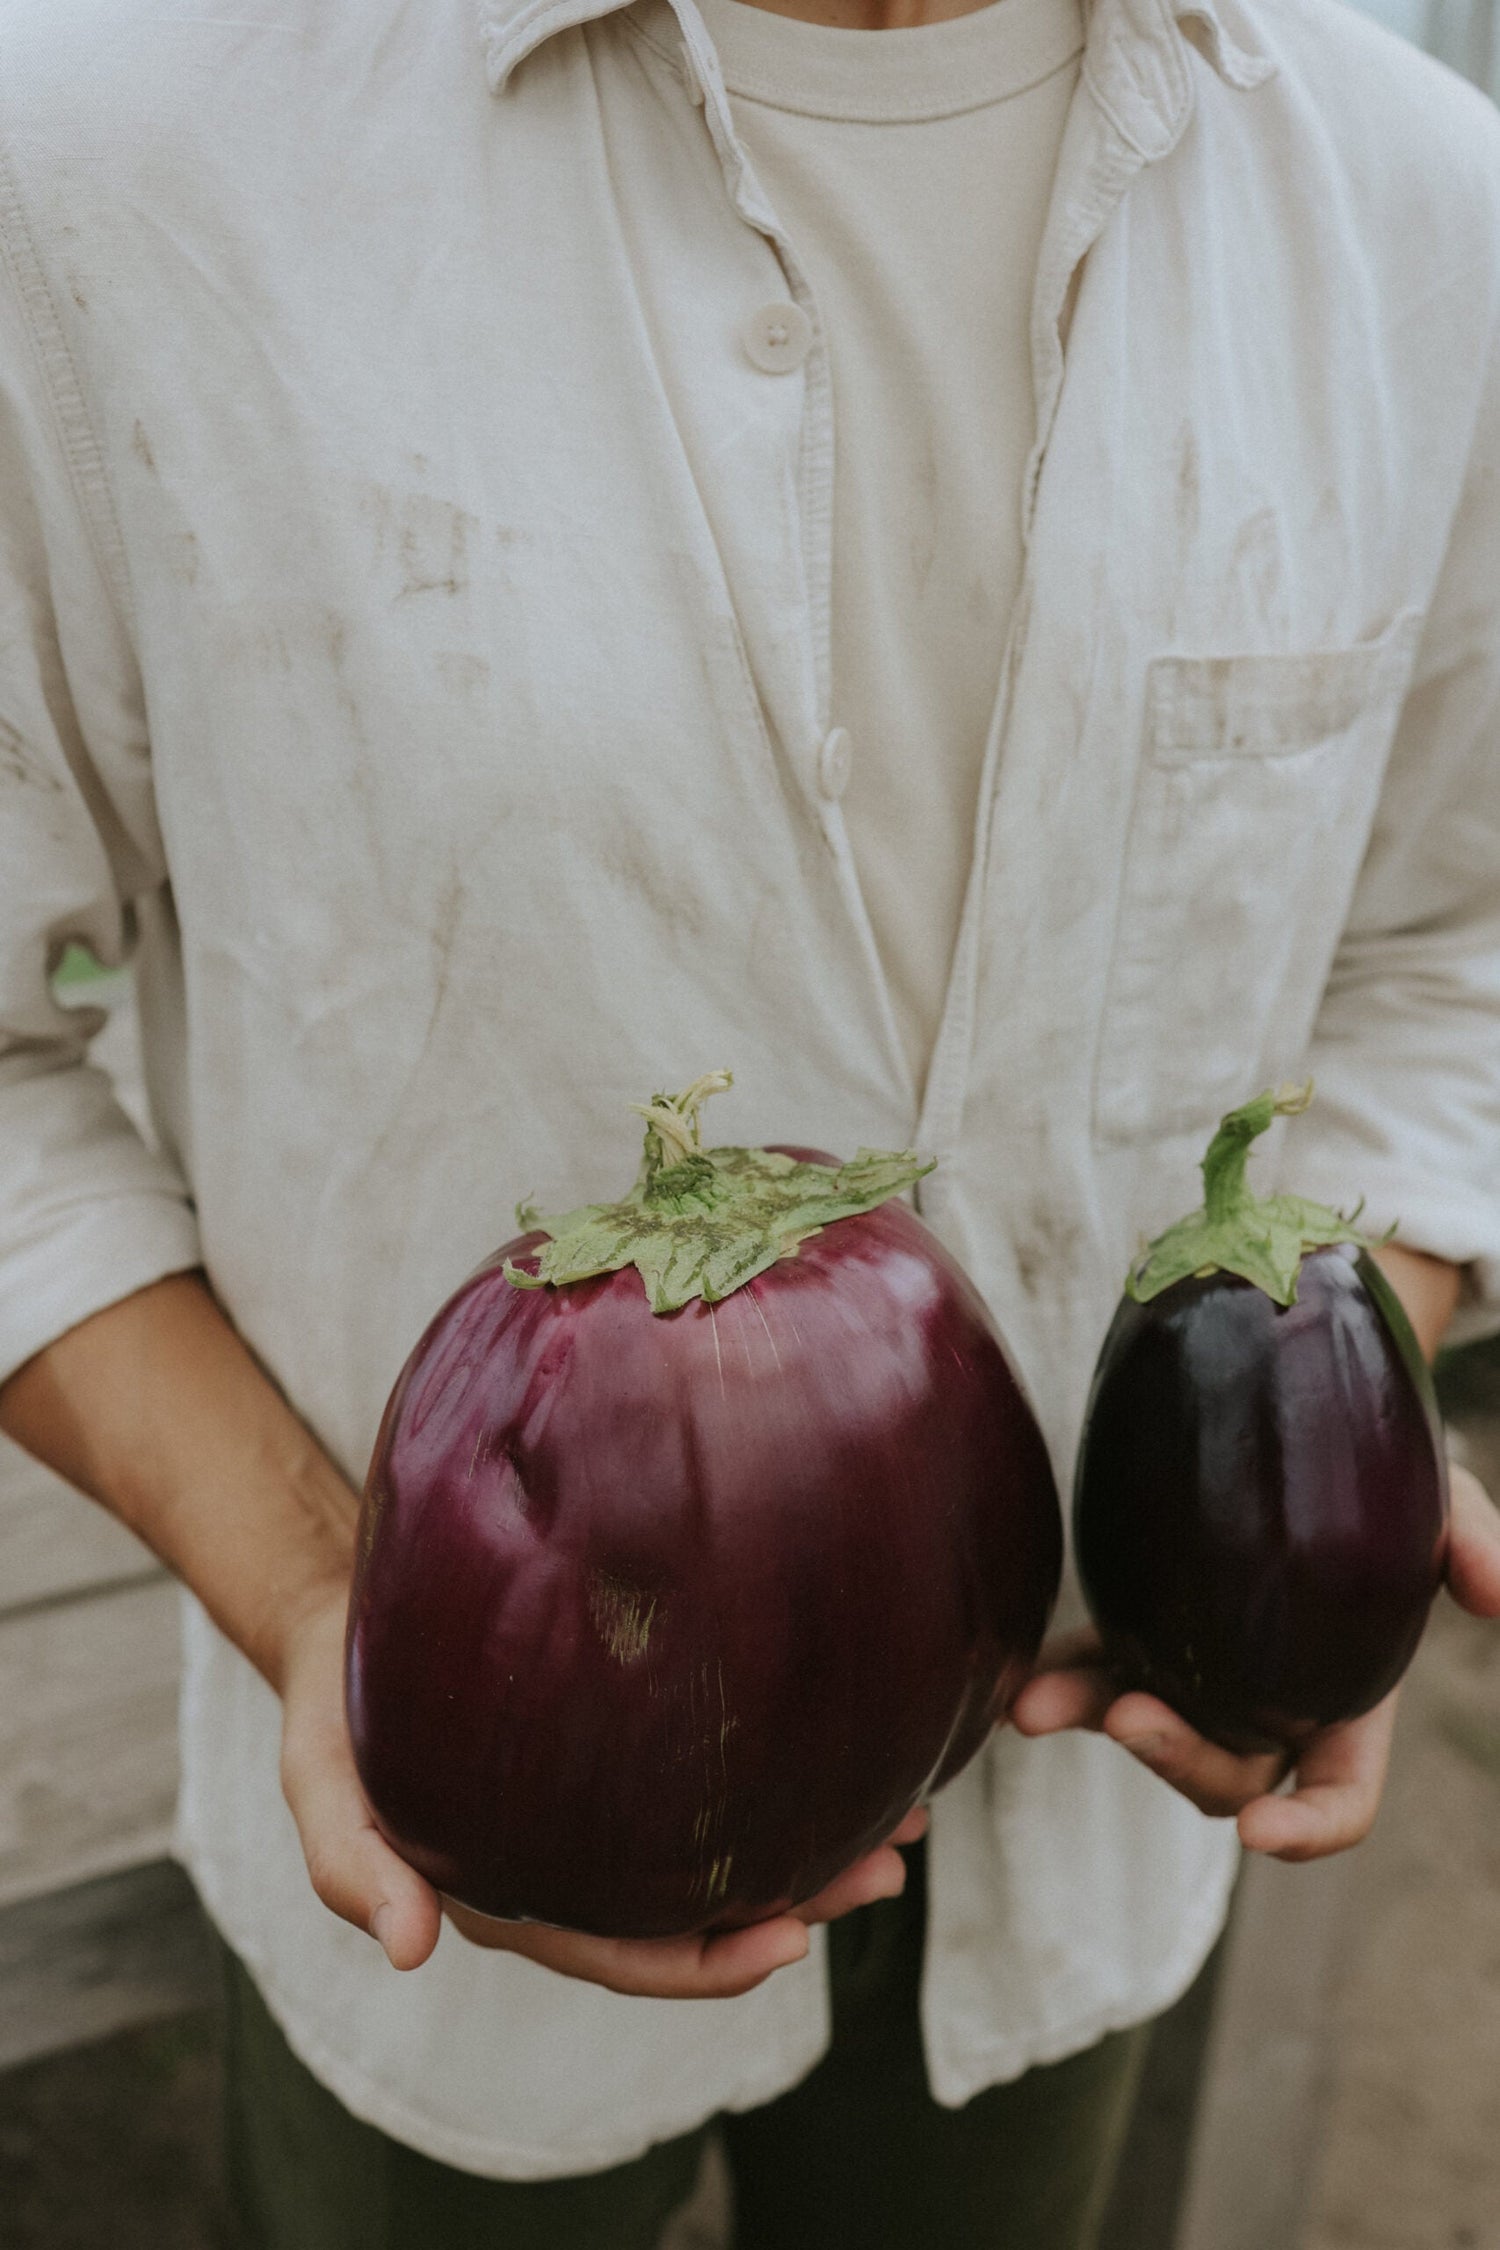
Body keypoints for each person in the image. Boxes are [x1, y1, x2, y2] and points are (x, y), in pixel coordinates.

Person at [1, 0, 1498, 2240]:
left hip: (1086, 1801)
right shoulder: (113, 145)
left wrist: (1302, 1474)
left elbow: (1445, 950)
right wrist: (329, 1610)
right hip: (441, 1816)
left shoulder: (1418, 208)